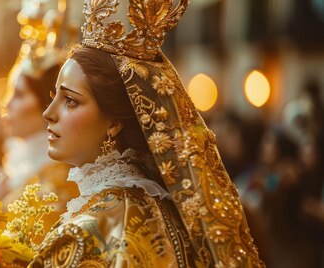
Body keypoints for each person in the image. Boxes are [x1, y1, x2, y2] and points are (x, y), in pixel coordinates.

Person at [30, 0, 263, 267]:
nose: (48, 112)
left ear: (114, 123)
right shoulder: (154, 208)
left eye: (70, 101)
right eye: (53, 97)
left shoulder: (88, 231)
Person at [0, 0, 78, 232]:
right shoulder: (14, 170)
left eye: (19, 94)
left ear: (49, 103)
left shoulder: (56, 187)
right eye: (9, 92)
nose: (6, 103)